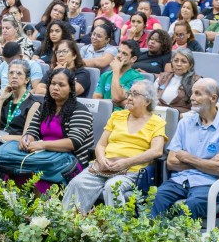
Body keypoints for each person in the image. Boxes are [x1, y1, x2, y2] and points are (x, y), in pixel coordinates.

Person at [62, 79, 166, 212]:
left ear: (147, 101)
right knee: (77, 183)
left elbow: (156, 151)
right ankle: (68, 221)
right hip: (104, 166)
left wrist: (127, 162)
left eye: (135, 94)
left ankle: (115, 225)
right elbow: (101, 145)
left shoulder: (157, 122)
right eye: (129, 93)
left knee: (112, 187)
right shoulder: (117, 116)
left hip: (131, 171)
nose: (129, 98)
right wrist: (101, 159)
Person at [0, 68, 95, 190]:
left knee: (38, 181)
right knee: (13, 173)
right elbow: (32, 131)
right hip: (43, 157)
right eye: (53, 84)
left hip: (69, 162)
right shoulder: (44, 108)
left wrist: (42, 145)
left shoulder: (80, 111)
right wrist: (27, 139)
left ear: (71, 88)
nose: (55, 88)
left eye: (61, 85)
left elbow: (73, 142)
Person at [149, 78, 219, 219]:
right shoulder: (184, 123)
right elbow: (171, 162)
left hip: (210, 183)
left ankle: (178, 234)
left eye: (197, 94)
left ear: (213, 98)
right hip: (179, 180)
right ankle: (153, 233)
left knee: (192, 206)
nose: (191, 98)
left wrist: (187, 157)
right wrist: (208, 163)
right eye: (192, 93)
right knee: (154, 198)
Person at [93, 41, 146, 109]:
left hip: (122, 114)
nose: (119, 56)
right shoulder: (105, 75)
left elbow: (117, 97)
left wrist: (116, 71)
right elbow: (96, 99)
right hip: (104, 112)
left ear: (133, 59)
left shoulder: (137, 78)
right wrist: (120, 103)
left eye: (124, 54)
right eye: (119, 51)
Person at [155, 48, 199, 114]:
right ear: (172, 63)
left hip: (183, 117)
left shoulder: (197, 82)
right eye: (176, 61)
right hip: (159, 114)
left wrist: (184, 116)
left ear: (190, 65)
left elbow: (199, 108)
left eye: (183, 61)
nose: (179, 64)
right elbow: (152, 98)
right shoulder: (162, 77)